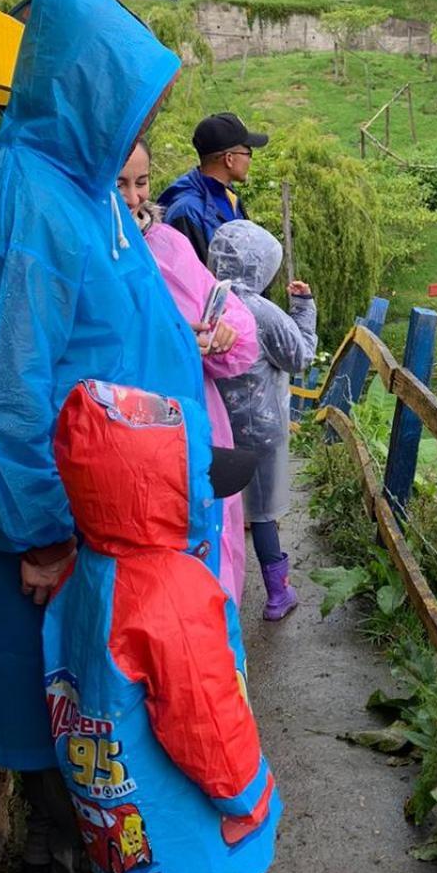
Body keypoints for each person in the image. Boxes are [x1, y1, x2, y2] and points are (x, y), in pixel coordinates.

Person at [0, 0, 219, 873]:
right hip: (66, 528)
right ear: (79, 88)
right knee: (72, 705)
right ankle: (70, 872)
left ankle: (105, 869)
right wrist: (44, 528)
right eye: (127, 98)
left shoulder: (80, 181)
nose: (142, 125)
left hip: (117, 518)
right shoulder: (24, 197)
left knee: (107, 701)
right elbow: (0, 393)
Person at [45, 380, 278, 873]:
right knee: (216, 853)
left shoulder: (89, 567)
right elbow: (204, 713)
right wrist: (243, 790)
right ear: (162, 494)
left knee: (134, 871)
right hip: (181, 783)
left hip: (109, 788)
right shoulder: (174, 593)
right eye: (198, 479)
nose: (210, 492)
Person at [118, 138, 258, 605]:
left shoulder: (168, 243)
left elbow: (234, 319)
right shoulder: (87, 257)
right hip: (128, 449)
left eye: (141, 182)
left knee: (213, 566)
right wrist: (178, 340)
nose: (135, 198)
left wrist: (221, 336)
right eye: (120, 184)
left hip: (200, 432)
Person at [207, 221, 317, 621]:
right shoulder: (261, 310)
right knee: (262, 513)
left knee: (218, 511)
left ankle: (216, 593)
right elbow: (300, 356)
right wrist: (304, 310)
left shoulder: (206, 300)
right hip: (261, 429)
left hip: (216, 426)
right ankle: (277, 593)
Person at [157, 112, 269, 264]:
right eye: (248, 153)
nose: (250, 159)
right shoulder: (186, 212)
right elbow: (194, 280)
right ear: (229, 159)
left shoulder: (229, 196)